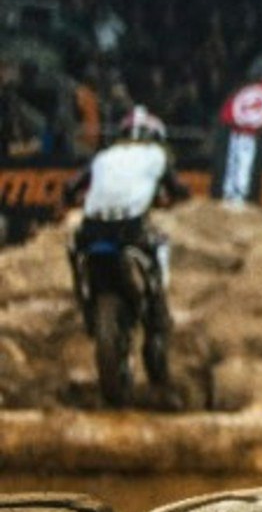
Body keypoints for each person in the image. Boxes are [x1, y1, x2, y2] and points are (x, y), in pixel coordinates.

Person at [65, 106, 189, 393]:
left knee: (73, 249)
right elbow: (178, 190)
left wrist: (76, 199)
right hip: (129, 229)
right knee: (160, 247)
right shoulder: (157, 156)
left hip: (91, 230)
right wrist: (176, 197)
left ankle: (85, 303)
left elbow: (70, 188)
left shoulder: (103, 157)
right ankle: (156, 325)